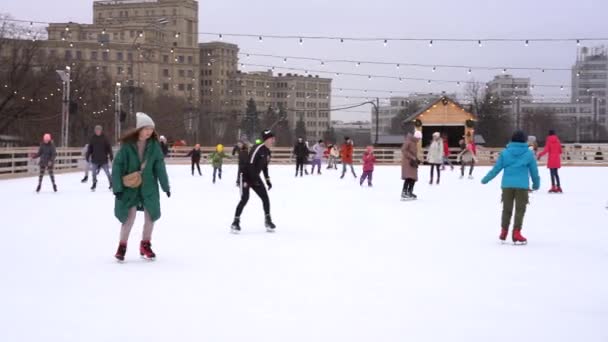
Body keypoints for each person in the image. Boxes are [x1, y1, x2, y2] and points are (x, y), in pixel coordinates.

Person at [111, 112, 170, 261]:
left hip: (149, 186)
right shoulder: (127, 146)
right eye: (146, 128)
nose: (149, 132)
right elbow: (117, 166)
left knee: (150, 216)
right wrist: (117, 188)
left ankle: (145, 244)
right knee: (129, 218)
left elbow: (160, 167)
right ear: (139, 129)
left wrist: (165, 186)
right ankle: (122, 246)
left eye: (151, 129)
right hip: (130, 187)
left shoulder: (155, 146)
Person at [481, 130, 540, 245]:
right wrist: (536, 184)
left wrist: (486, 179)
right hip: (522, 186)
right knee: (520, 210)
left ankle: (504, 231)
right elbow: (534, 171)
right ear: (524, 140)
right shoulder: (529, 154)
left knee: (506, 209)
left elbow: (496, 169)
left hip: (507, 185)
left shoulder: (506, 152)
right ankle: (516, 232)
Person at [231, 129, 276, 234]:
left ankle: (268, 220)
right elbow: (250, 164)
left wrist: (267, 180)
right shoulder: (258, 148)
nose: (273, 141)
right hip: (246, 176)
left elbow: (265, 167)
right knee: (245, 199)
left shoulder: (268, 152)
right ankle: (235, 222)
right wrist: (254, 179)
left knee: (265, 197)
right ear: (266, 139)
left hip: (255, 177)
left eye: (273, 139)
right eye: (271, 139)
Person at [86, 125, 114, 191]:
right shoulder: (93, 138)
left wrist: (111, 155)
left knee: (107, 173)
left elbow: (109, 147)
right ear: (95, 131)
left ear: (101, 131)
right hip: (95, 159)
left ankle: (111, 183)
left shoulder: (105, 138)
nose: (97, 131)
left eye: (99, 130)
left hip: (103, 159)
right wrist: (87, 155)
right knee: (93, 173)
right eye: (96, 130)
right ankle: (94, 184)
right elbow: (90, 148)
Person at [401, 131, 422, 200]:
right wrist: (412, 157)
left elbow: (413, 153)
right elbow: (403, 150)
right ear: (416, 137)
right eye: (419, 138)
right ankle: (404, 192)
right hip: (408, 163)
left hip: (412, 163)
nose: (419, 140)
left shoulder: (414, 142)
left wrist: (416, 159)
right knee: (409, 177)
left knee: (413, 178)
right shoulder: (409, 141)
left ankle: (410, 192)